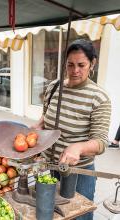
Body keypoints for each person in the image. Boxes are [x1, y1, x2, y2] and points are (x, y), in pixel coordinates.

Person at [32, 39, 111, 220]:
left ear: (93, 63)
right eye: (70, 64)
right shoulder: (53, 87)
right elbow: (46, 117)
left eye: (81, 65)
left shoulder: (99, 98)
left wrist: (79, 147)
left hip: (78, 175)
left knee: (78, 217)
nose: (75, 70)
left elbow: (100, 142)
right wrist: (36, 128)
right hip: (50, 169)